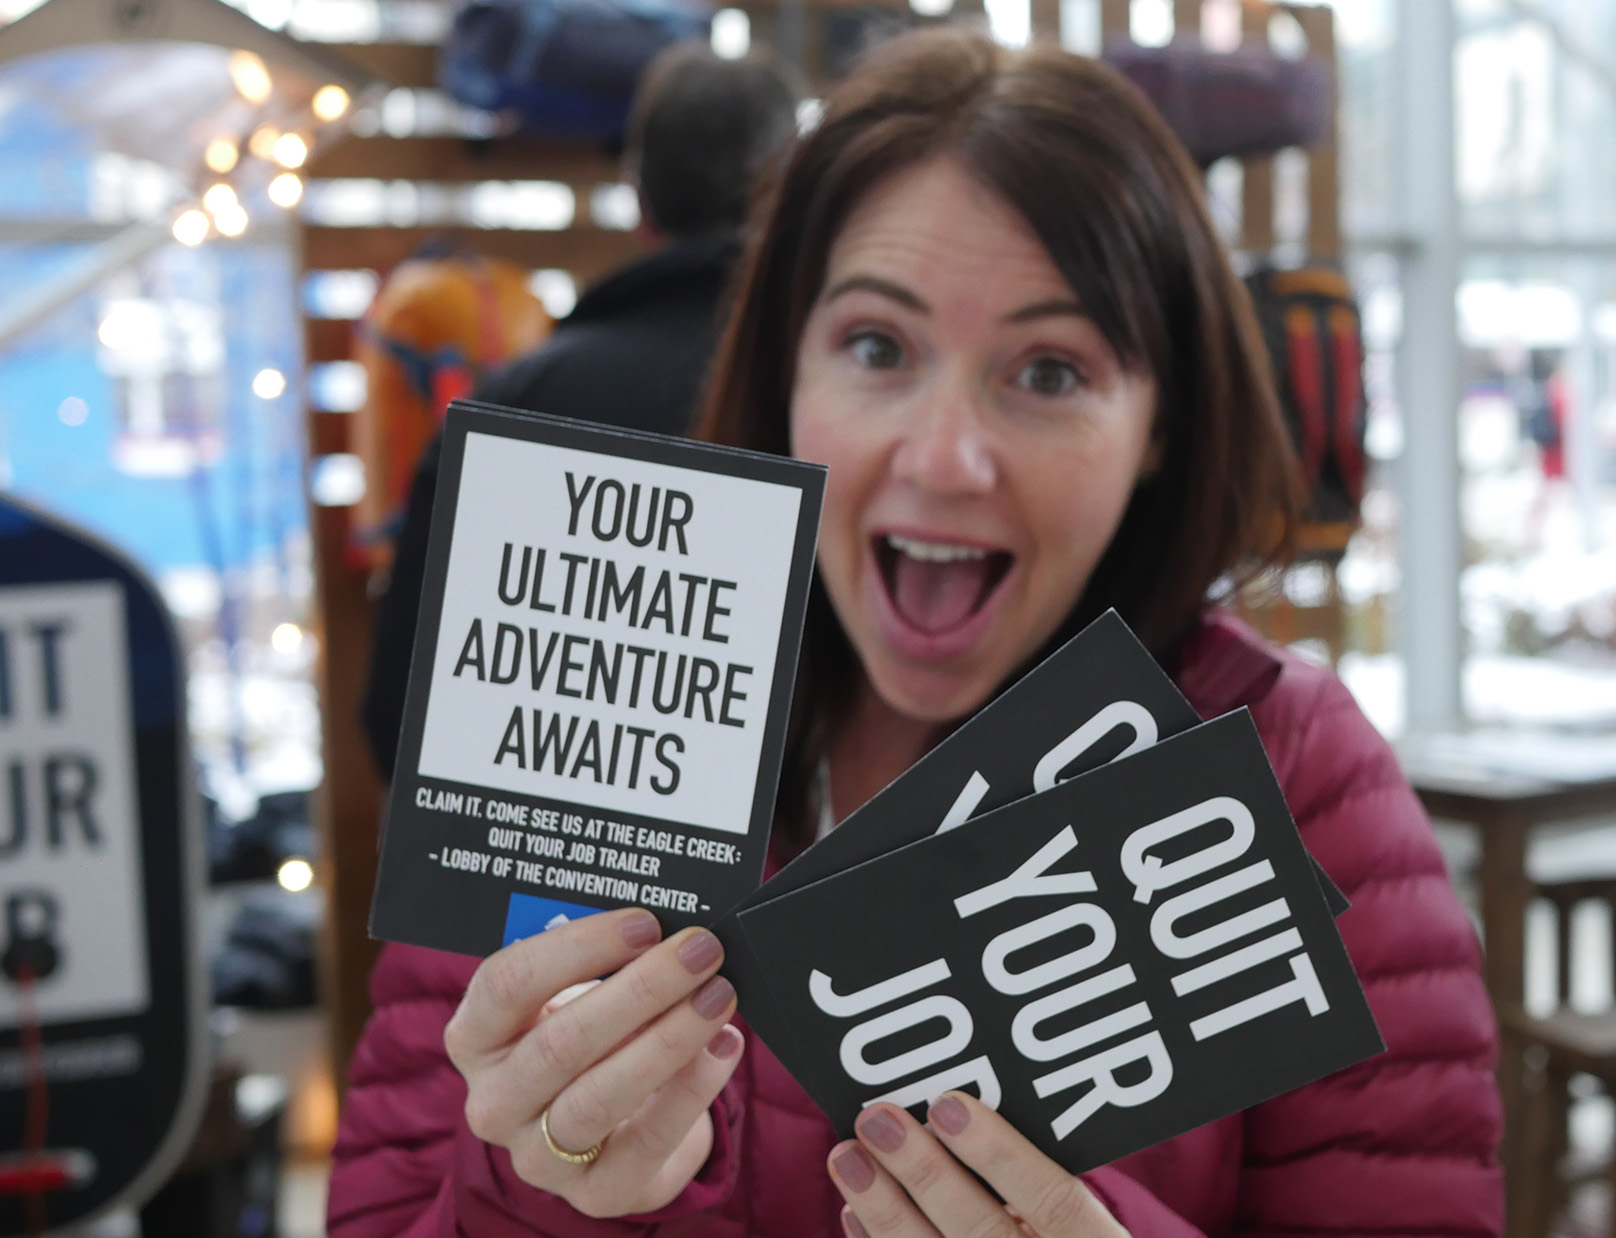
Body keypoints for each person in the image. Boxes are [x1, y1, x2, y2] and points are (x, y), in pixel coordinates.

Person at [330, 29, 1503, 1237]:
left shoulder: (1297, 776)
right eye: (877, 348)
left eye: (1049, 372)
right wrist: (539, 1190)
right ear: (789, 372)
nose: (944, 458)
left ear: (1159, 423)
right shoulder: (582, 728)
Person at [360, 43, 800, 780]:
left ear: (639, 202)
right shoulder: (845, 400)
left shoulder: (513, 412)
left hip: (556, 852)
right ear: (789, 196)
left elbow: (399, 719)